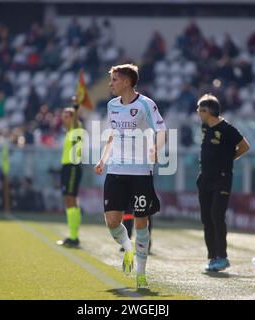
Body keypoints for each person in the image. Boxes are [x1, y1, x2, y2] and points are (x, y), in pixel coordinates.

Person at [94, 64, 166, 289]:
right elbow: (113, 135)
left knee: (141, 221)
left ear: (126, 81)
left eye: (114, 80)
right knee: (112, 221)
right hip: (115, 170)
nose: (110, 84)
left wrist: (155, 148)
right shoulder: (112, 105)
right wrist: (103, 159)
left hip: (140, 172)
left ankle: (141, 275)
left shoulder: (146, 104)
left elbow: (162, 130)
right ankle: (128, 246)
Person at [196, 93, 250, 272]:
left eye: (200, 109)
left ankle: (222, 257)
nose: (198, 112)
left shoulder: (227, 129)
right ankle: (212, 257)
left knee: (216, 216)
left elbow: (245, 146)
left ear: (208, 111)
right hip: (205, 178)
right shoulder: (205, 127)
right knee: (206, 219)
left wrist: (229, 159)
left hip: (222, 179)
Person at [56, 98, 84, 248]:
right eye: (64, 115)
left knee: (71, 199)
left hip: (73, 167)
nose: (64, 118)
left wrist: (75, 107)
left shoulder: (76, 127)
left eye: (67, 115)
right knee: (69, 200)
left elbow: (75, 120)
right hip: (67, 167)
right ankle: (73, 235)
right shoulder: (68, 132)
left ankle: (74, 237)